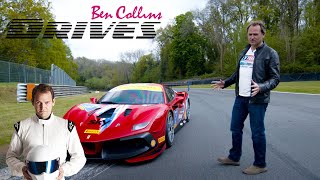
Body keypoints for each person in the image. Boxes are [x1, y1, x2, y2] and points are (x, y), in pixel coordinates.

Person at [213, 20, 280, 175]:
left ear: (263, 34)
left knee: (257, 132)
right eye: (250, 34)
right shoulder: (244, 52)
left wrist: (261, 87)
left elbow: (275, 79)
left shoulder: (270, 53)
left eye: (255, 34)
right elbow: (238, 74)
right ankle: (234, 157)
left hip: (257, 99)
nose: (252, 37)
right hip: (240, 98)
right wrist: (226, 83)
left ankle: (260, 164)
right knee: (235, 127)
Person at [6, 84, 86, 180]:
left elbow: (80, 157)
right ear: (33, 102)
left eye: (47, 102)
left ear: (53, 102)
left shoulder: (67, 127)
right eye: (38, 102)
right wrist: (22, 168)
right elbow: (10, 157)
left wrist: (64, 170)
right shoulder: (22, 127)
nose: (42, 107)